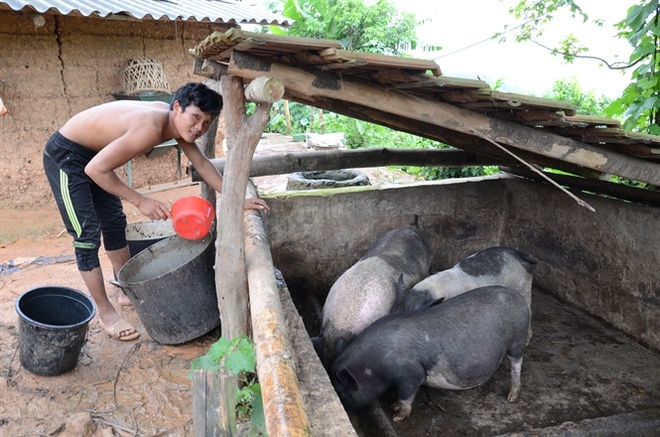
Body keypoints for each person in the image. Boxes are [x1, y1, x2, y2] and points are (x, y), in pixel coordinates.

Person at [43, 82, 270, 341]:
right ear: (177, 107)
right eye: (196, 117)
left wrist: (236, 199)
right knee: (86, 236)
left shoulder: (172, 123)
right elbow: (95, 170)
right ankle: (106, 313)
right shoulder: (150, 128)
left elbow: (202, 164)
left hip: (95, 157)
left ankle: (124, 289)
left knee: (115, 223)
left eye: (207, 122)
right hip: (68, 157)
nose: (199, 128)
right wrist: (141, 201)